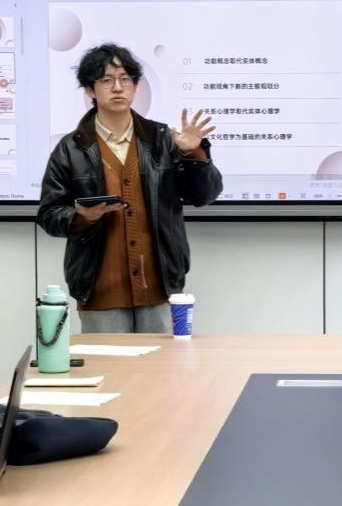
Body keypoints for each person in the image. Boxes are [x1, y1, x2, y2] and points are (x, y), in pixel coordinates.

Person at [37, 43, 222, 333]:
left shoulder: (163, 139)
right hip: (99, 289)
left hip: (160, 286)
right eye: (106, 80)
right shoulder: (70, 148)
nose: (117, 87)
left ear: (135, 86)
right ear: (89, 89)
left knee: (162, 362)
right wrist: (82, 217)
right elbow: (48, 214)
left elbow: (203, 195)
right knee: (107, 363)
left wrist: (194, 154)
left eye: (125, 79)